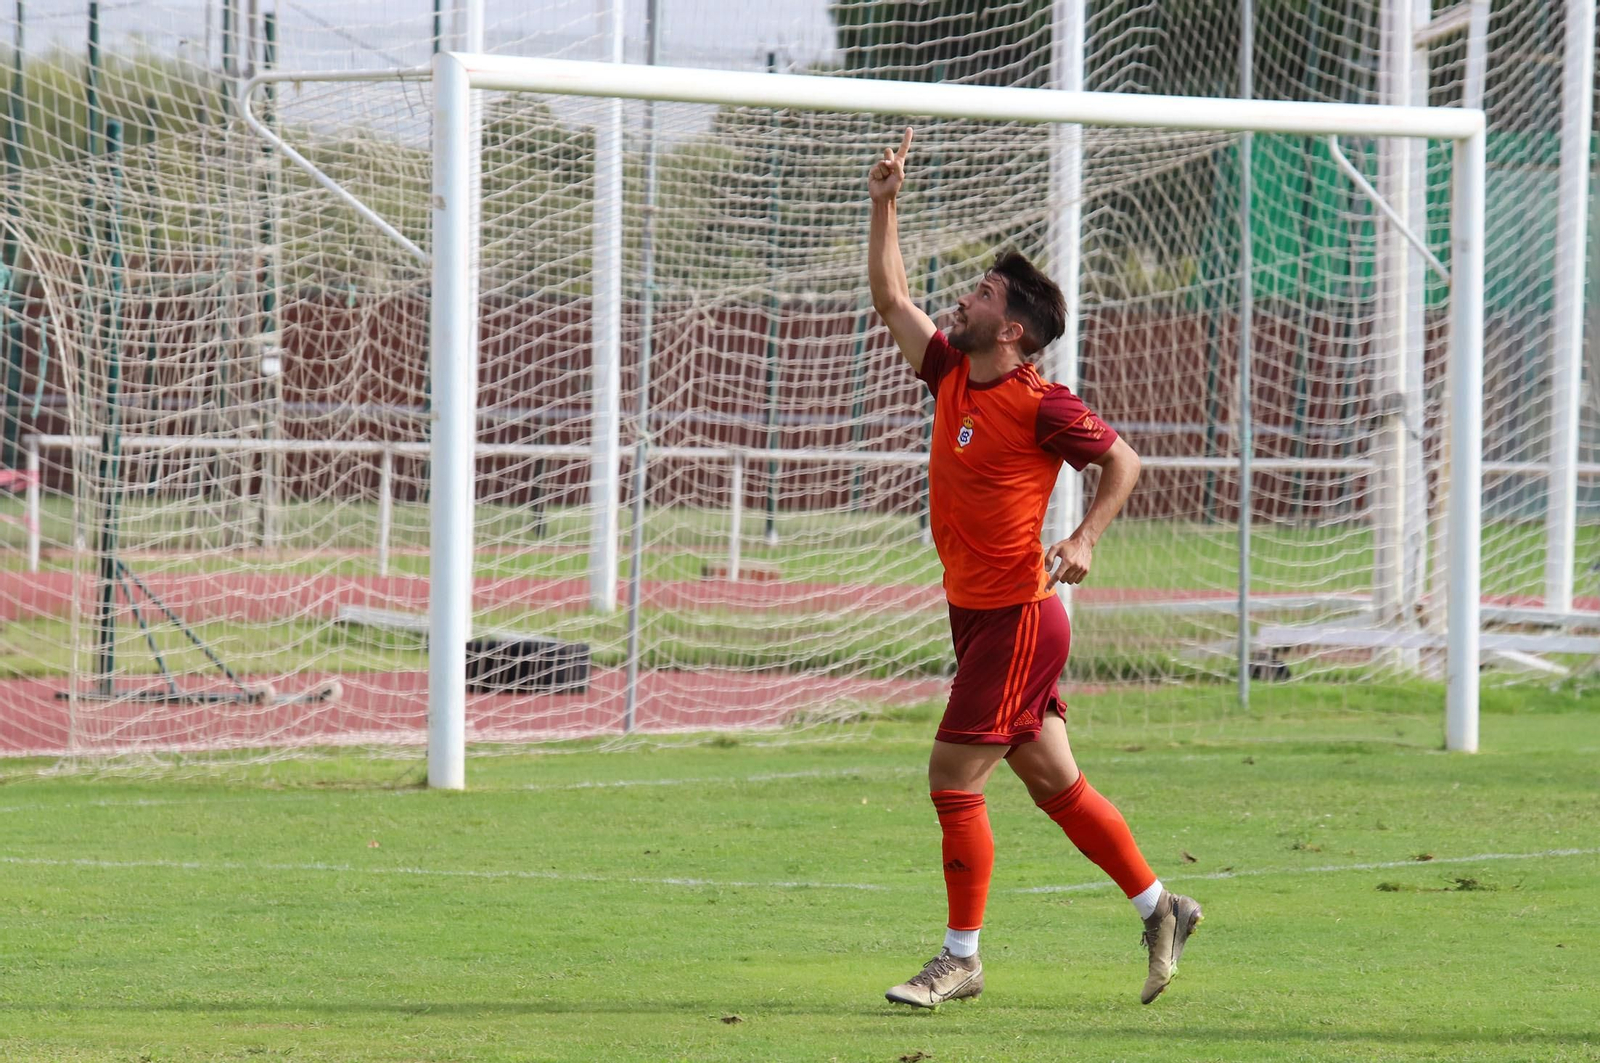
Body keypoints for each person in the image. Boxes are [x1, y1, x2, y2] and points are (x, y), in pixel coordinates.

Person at [869, 127, 1202, 1008]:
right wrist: (885, 201)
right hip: (976, 612)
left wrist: (1086, 536)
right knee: (1052, 777)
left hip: (1021, 613)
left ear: (1009, 327)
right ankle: (1162, 904)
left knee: (951, 774)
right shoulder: (948, 371)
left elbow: (1124, 463)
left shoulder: (1040, 400)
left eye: (980, 293)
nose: (963, 299)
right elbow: (893, 296)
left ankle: (961, 956)